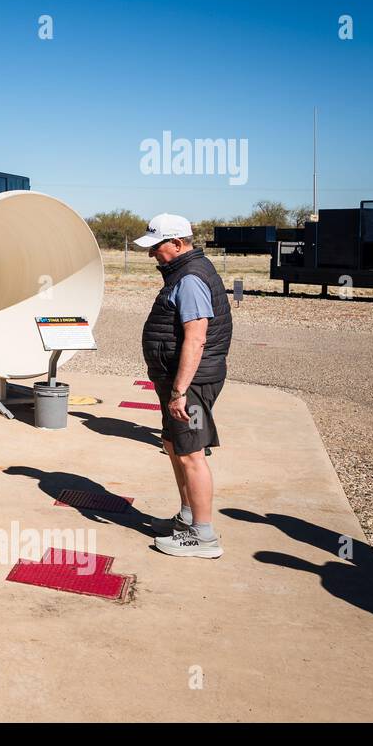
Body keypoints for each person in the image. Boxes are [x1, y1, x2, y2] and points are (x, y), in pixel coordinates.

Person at [135, 213, 232, 559]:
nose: (151, 255)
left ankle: (203, 536)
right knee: (173, 444)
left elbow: (196, 338)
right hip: (179, 379)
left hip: (190, 381)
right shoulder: (185, 271)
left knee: (191, 453)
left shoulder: (190, 278)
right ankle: (188, 518)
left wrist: (179, 391)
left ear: (177, 244)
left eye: (156, 247)